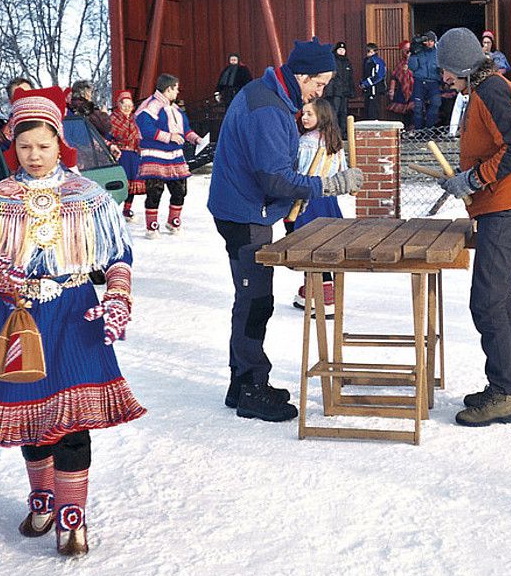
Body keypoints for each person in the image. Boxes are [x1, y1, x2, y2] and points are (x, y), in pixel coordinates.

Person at [0, 86, 144, 557]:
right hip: (15, 316)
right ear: (14, 145)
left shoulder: (88, 196)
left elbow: (118, 254)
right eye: (25, 146)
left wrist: (117, 295)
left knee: (73, 421)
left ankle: (73, 518)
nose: (34, 155)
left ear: (59, 144)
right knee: (31, 418)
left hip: (74, 314)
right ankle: (43, 499)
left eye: (43, 145)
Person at [208, 38, 364, 422]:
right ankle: (249, 388)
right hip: (244, 214)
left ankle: (242, 383)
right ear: (302, 75)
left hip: (247, 209)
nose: (321, 91)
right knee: (254, 300)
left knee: (254, 298)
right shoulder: (268, 108)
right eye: (320, 83)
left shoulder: (270, 95)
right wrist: (328, 185)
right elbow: (275, 179)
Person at [432, 27, 511, 426]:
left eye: (446, 70)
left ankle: (502, 394)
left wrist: (474, 179)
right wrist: (466, 176)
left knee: (488, 301)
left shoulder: (491, 90)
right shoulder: (483, 90)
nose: (443, 78)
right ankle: (508, 385)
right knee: (500, 300)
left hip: (507, 210)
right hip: (505, 208)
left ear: (461, 65)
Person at [288, 98, 348, 311]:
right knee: (325, 246)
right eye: (303, 113)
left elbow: (298, 172)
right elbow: (342, 170)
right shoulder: (334, 141)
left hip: (308, 201)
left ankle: (324, 296)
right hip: (328, 199)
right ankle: (312, 290)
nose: (304, 117)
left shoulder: (306, 142)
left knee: (309, 247)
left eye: (309, 114)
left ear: (322, 116)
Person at [136, 74, 202, 238]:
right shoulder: (151, 106)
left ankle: (174, 222)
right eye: (176, 88)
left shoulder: (176, 109)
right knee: (155, 191)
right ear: (168, 89)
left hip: (175, 156)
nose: (178, 92)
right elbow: (146, 129)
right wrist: (169, 136)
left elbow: (185, 130)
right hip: (155, 155)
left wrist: (196, 139)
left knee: (180, 190)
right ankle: (151, 227)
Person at [109, 90, 144, 219]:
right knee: (120, 183)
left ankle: (127, 209)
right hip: (120, 155)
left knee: (132, 185)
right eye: (125, 106)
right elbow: (109, 136)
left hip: (133, 155)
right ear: (119, 105)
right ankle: (113, 209)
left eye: (130, 106)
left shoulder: (134, 120)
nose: (127, 109)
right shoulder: (113, 119)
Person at [408, 31, 442, 129]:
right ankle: (419, 130)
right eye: (427, 41)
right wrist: (413, 53)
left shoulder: (438, 51)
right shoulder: (419, 51)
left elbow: (441, 66)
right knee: (417, 107)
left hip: (434, 81)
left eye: (431, 41)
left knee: (436, 103)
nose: (429, 43)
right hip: (419, 81)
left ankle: (429, 128)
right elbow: (412, 67)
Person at [325, 40, 356, 132]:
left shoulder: (347, 62)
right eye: (340, 49)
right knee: (334, 111)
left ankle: (343, 132)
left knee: (344, 112)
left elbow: (350, 77)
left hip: (344, 92)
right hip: (335, 92)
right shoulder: (332, 61)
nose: (342, 51)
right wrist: (329, 91)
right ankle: (333, 132)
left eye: (343, 49)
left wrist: (351, 90)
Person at [386, 41, 414, 124]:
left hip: (415, 87)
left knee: (415, 109)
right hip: (403, 89)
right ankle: (406, 128)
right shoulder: (401, 63)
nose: (408, 52)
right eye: (406, 50)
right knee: (404, 111)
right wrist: (392, 90)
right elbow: (394, 77)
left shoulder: (416, 61)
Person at [359, 42, 386, 120]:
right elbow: (365, 74)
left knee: (373, 110)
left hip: (375, 89)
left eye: (369, 51)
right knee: (367, 110)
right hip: (367, 89)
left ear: (374, 51)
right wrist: (361, 83)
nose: (368, 53)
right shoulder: (366, 61)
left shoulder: (377, 61)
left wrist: (366, 83)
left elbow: (379, 76)